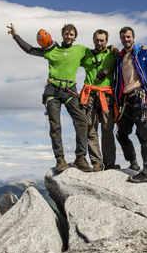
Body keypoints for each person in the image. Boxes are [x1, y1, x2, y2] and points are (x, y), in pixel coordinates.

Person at [7, 23, 93, 174]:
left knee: (82, 121)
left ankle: (80, 158)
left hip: (69, 90)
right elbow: (30, 50)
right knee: (55, 126)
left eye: (71, 34)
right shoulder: (51, 49)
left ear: (75, 37)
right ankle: (60, 159)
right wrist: (15, 36)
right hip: (52, 90)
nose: (69, 36)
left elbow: (98, 53)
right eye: (66, 34)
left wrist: (113, 48)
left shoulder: (80, 50)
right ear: (62, 35)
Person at [114, 26, 147, 183]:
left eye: (128, 37)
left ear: (133, 37)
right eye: (123, 37)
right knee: (121, 134)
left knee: (142, 133)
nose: (126, 39)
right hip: (127, 100)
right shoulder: (120, 57)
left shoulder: (144, 52)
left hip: (141, 97)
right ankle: (134, 164)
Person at [79, 29, 120, 171]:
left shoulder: (113, 54)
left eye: (102, 40)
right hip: (89, 95)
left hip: (106, 95)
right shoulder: (86, 55)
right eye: (97, 40)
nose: (99, 42)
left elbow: (128, 55)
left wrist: (114, 47)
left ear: (107, 41)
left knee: (107, 130)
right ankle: (97, 162)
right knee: (91, 129)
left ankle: (109, 163)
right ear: (93, 40)